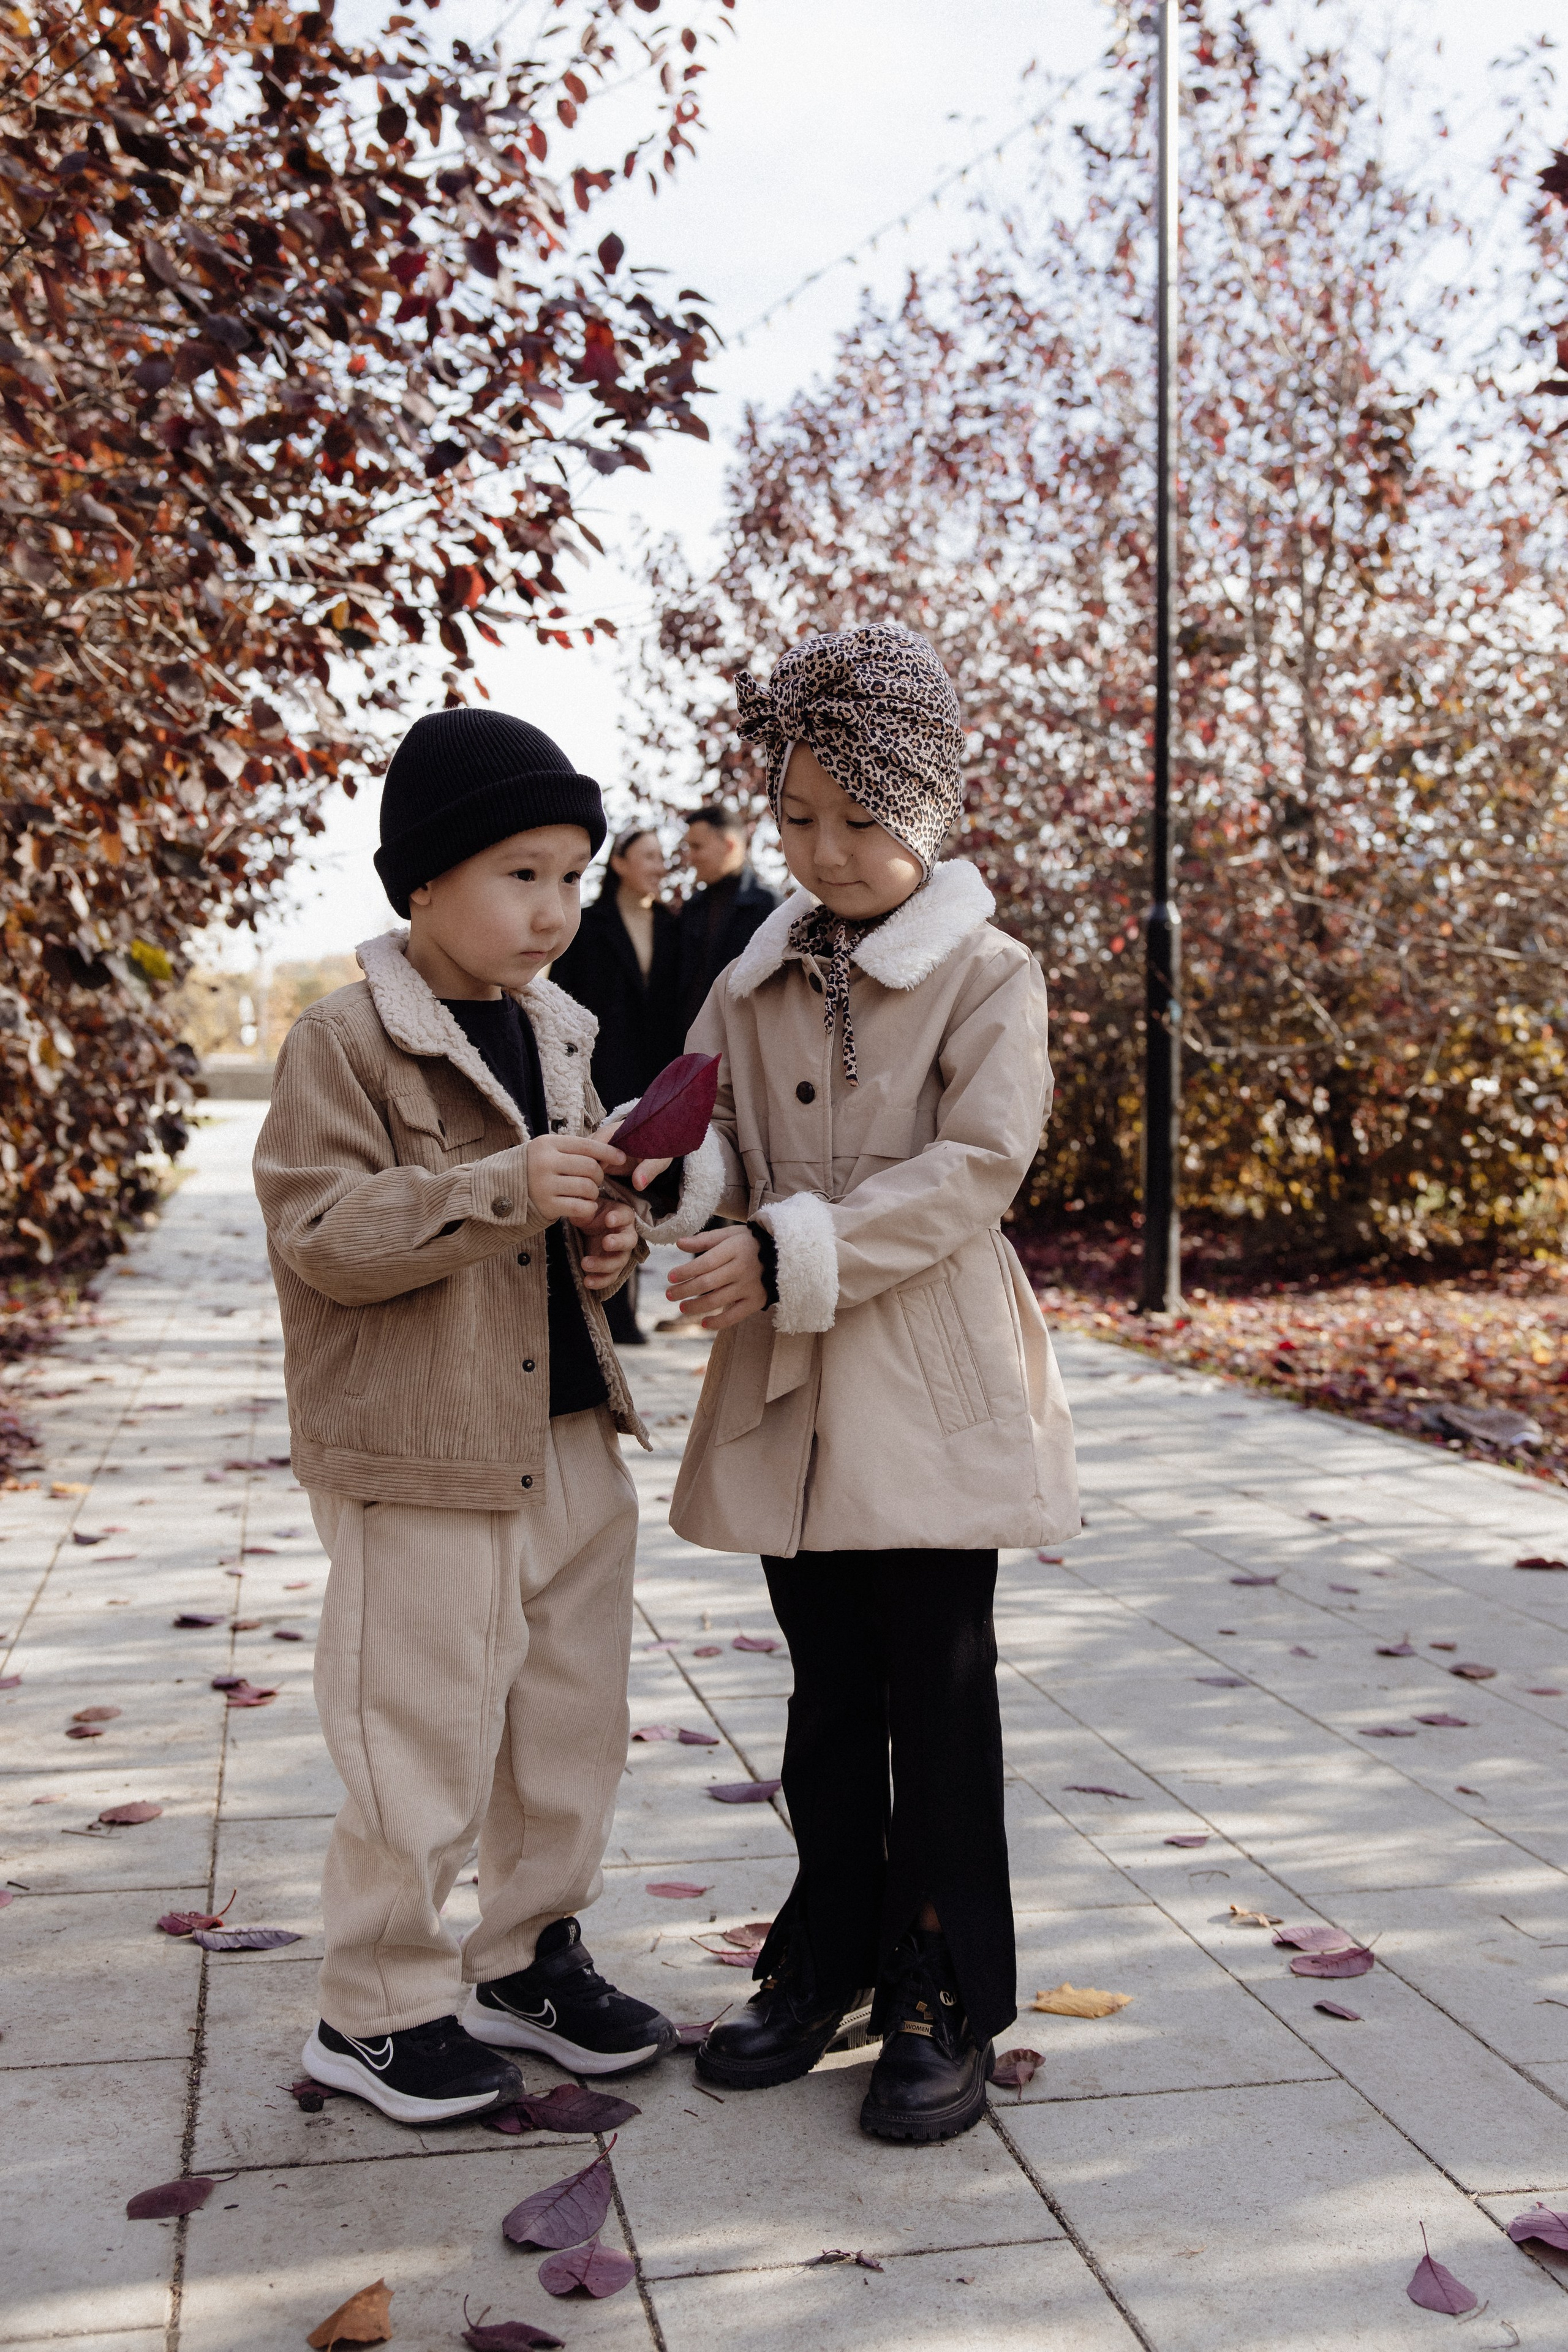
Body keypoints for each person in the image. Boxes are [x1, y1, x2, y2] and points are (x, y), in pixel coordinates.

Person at [659, 622, 1079, 2144]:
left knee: (938, 1686)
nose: (823, 852)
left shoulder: (985, 970)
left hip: (924, 1371)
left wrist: (787, 1249)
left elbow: (978, 1164)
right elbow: (706, 1126)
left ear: (930, 812)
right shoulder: (753, 969)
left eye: (859, 820)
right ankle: (828, 1945)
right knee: (827, 1690)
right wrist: (682, 1201)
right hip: (791, 1385)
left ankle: (940, 1977)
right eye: (795, 819)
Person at [252, 707, 696, 2127]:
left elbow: (543, 1228)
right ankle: (371, 2006)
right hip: (420, 1450)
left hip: (562, 1430)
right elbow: (322, 1229)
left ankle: (526, 1958)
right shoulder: (346, 1041)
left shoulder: (559, 1027)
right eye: (520, 872)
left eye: (572, 874)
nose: (554, 908)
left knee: (568, 1725)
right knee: (419, 1732)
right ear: (422, 881)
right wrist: (506, 1186)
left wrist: (596, 1247)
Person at [550, 824, 681, 1347]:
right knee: (602, 1185)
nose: (659, 865)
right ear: (622, 862)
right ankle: (609, 1311)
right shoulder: (589, 924)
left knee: (641, 1187)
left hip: (654, 1076)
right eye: (648, 855)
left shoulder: (673, 926)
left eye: (661, 856)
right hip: (600, 1071)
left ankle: (625, 1305)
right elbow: (561, 999)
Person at [674, 802, 778, 1035]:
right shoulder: (692, 908)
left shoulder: (770, 908)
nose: (690, 857)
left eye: (697, 847)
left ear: (729, 845)